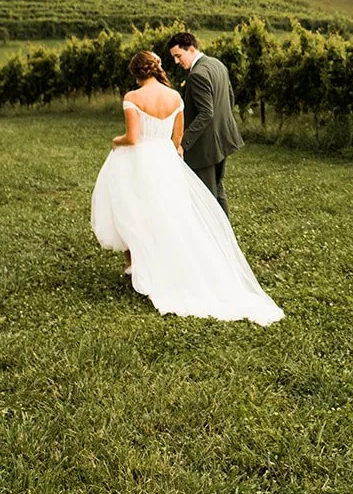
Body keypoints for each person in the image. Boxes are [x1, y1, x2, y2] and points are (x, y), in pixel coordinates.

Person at [90, 50, 282, 325]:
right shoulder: (175, 97)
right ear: (156, 68)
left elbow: (132, 138)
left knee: (134, 211)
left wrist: (115, 140)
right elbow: (176, 139)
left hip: (140, 160)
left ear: (135, 73)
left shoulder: (132, 98)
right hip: (166, 159)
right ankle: (164, 264)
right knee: (168, 213)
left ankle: (136, 266)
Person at [166, 31, 243, 215]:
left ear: (191, 49)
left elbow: (206, 113)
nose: (177, 62)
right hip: (222, 139)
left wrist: (184, 143)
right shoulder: (217, 64)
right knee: (218, 189)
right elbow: (229, 98)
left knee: (205, 196)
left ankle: (214, 238)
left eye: (178, 56)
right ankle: (225, 236)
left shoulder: (197, 75)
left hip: (205, 146)